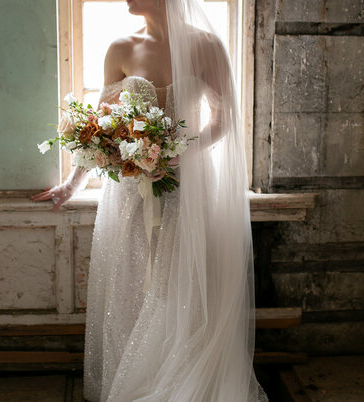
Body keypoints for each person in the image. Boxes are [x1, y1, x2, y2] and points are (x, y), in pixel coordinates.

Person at [32, 0, 269, 400]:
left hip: (189, 191)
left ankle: (179, 385)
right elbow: (98, 127)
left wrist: (179, 151)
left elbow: (224, 120)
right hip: (129, 194)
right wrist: (73, 183)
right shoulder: (120, 48)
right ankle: (136, 383)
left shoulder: (208, 46)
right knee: (133, 288)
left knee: (184, 287)